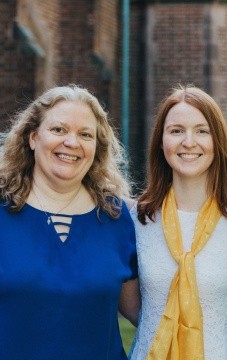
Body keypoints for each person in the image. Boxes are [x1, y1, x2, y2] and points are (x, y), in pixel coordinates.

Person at [0, 85, 140, 359]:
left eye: (85, 134)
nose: (71, 142)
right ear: (32, 138)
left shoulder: (118, 219)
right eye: (59, 130)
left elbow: (148, 313)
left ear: (96, 148)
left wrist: (217, 335)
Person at [128, 85, 227, 360]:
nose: (188, 141)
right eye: (176, 130)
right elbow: (135, 309)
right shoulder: (137, 219)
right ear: (161, 141)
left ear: (217, 141)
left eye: (202, 131)